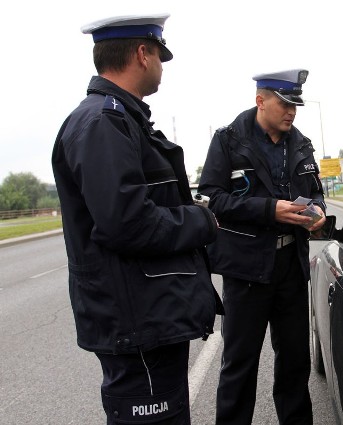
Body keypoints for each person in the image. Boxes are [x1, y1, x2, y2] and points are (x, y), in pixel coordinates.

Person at [51, 14, 222, 424]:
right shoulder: (102, 123)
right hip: (136, 323)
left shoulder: (121, 119)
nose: (162, 65)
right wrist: (201, 221)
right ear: (142, 54)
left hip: (148, 317)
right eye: (159, 55)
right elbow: (127, 222)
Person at [198, 69, 326, 425]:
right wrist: (269, 210)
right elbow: (210, 198)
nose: (291, 112)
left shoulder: (300, 143)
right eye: (285, 104)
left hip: (290, 267)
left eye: (295, 105)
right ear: (261, 101)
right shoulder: (228, 141)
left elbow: (316, 190)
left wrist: (318, 211)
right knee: (240, 365)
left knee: (295, 363)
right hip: (247, 270)